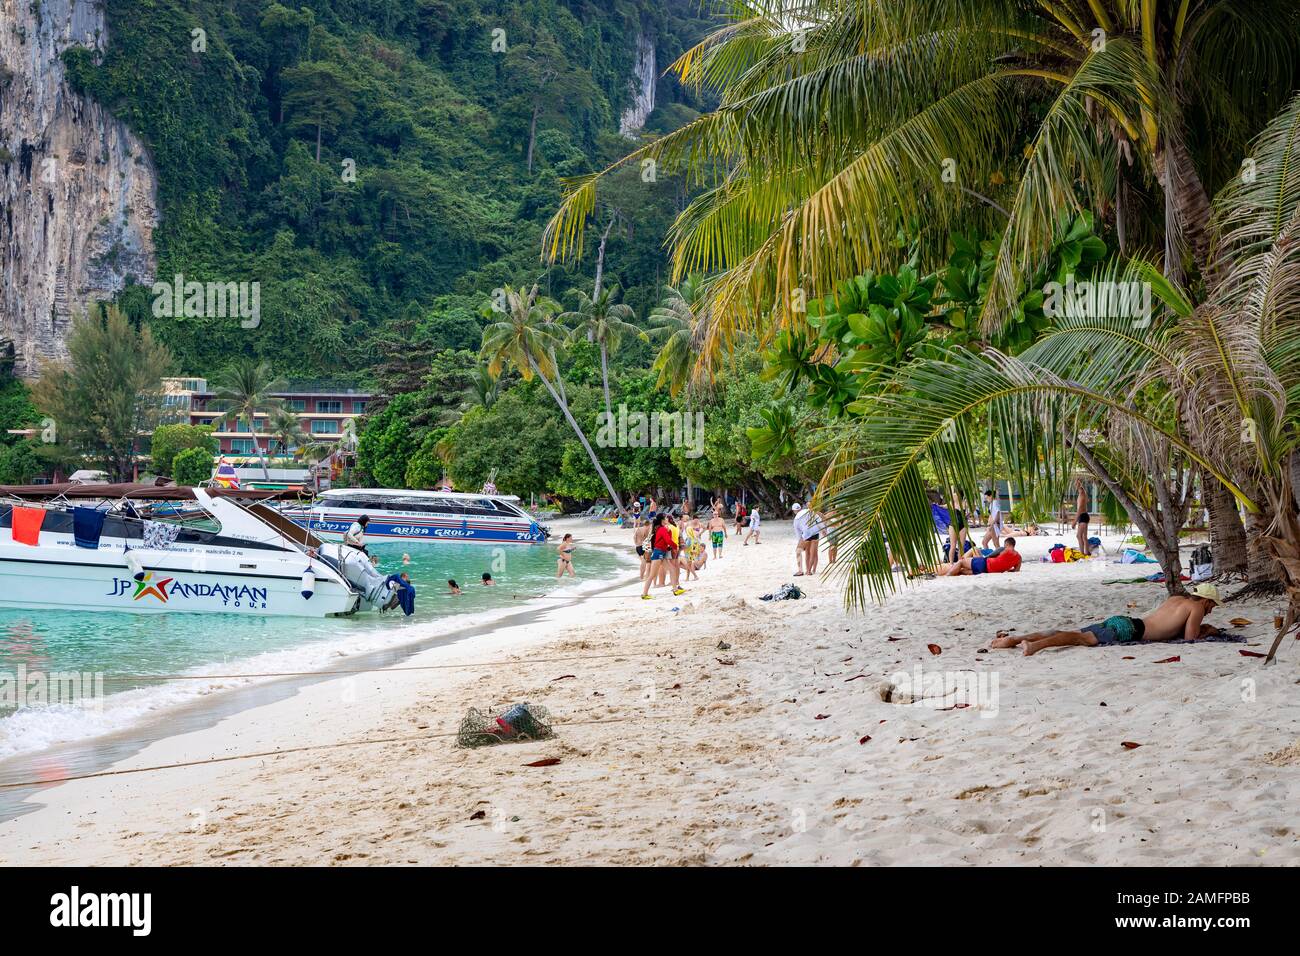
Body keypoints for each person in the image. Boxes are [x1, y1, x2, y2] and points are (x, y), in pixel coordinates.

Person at [991, 584, 1222, 656]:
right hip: (1130, 631)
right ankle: (1035, 645)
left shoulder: (1176, 598)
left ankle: (1017, 639)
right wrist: (1207, 631)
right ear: (1206, 601)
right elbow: (1190, 639)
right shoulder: (1196, 607)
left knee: (1071, 632)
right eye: (1212, 605)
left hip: (1126, 621)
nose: (1211, 610)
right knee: (1079, 639)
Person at [641, 516, 686, 599]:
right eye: (665, 518)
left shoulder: (663, 529)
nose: (667, 520)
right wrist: (676, 546)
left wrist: (669, 531)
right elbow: (668, 541)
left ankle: (675, 590)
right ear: (662, 520)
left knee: (672, 570)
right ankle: (644, 594)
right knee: (652, 575)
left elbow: (666, 541)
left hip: (662, 553)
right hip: (658, 553)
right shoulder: (662, 529)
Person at [939, 538, 1021, 576]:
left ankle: (947, 575)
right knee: (961, 571)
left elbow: (988, 557)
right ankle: (946, 572)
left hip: (984, 563)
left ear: (1006, 544)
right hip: (987, 571)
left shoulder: (1003, 549)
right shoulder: (1019, 558)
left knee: (961, 563)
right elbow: (1016, 570)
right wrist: (1005, 568)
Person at [1074, 479, 1092, 555]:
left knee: (1078, 536)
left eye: (1077, 483)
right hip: (1084, 516)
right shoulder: (1082, 493)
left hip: (1083, 516)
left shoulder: (1082, 494)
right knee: (1084, 537)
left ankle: (1082, 554)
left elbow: (1080, 509)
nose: (1075, 485)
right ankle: (1087, 552)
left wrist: (1074, 522)